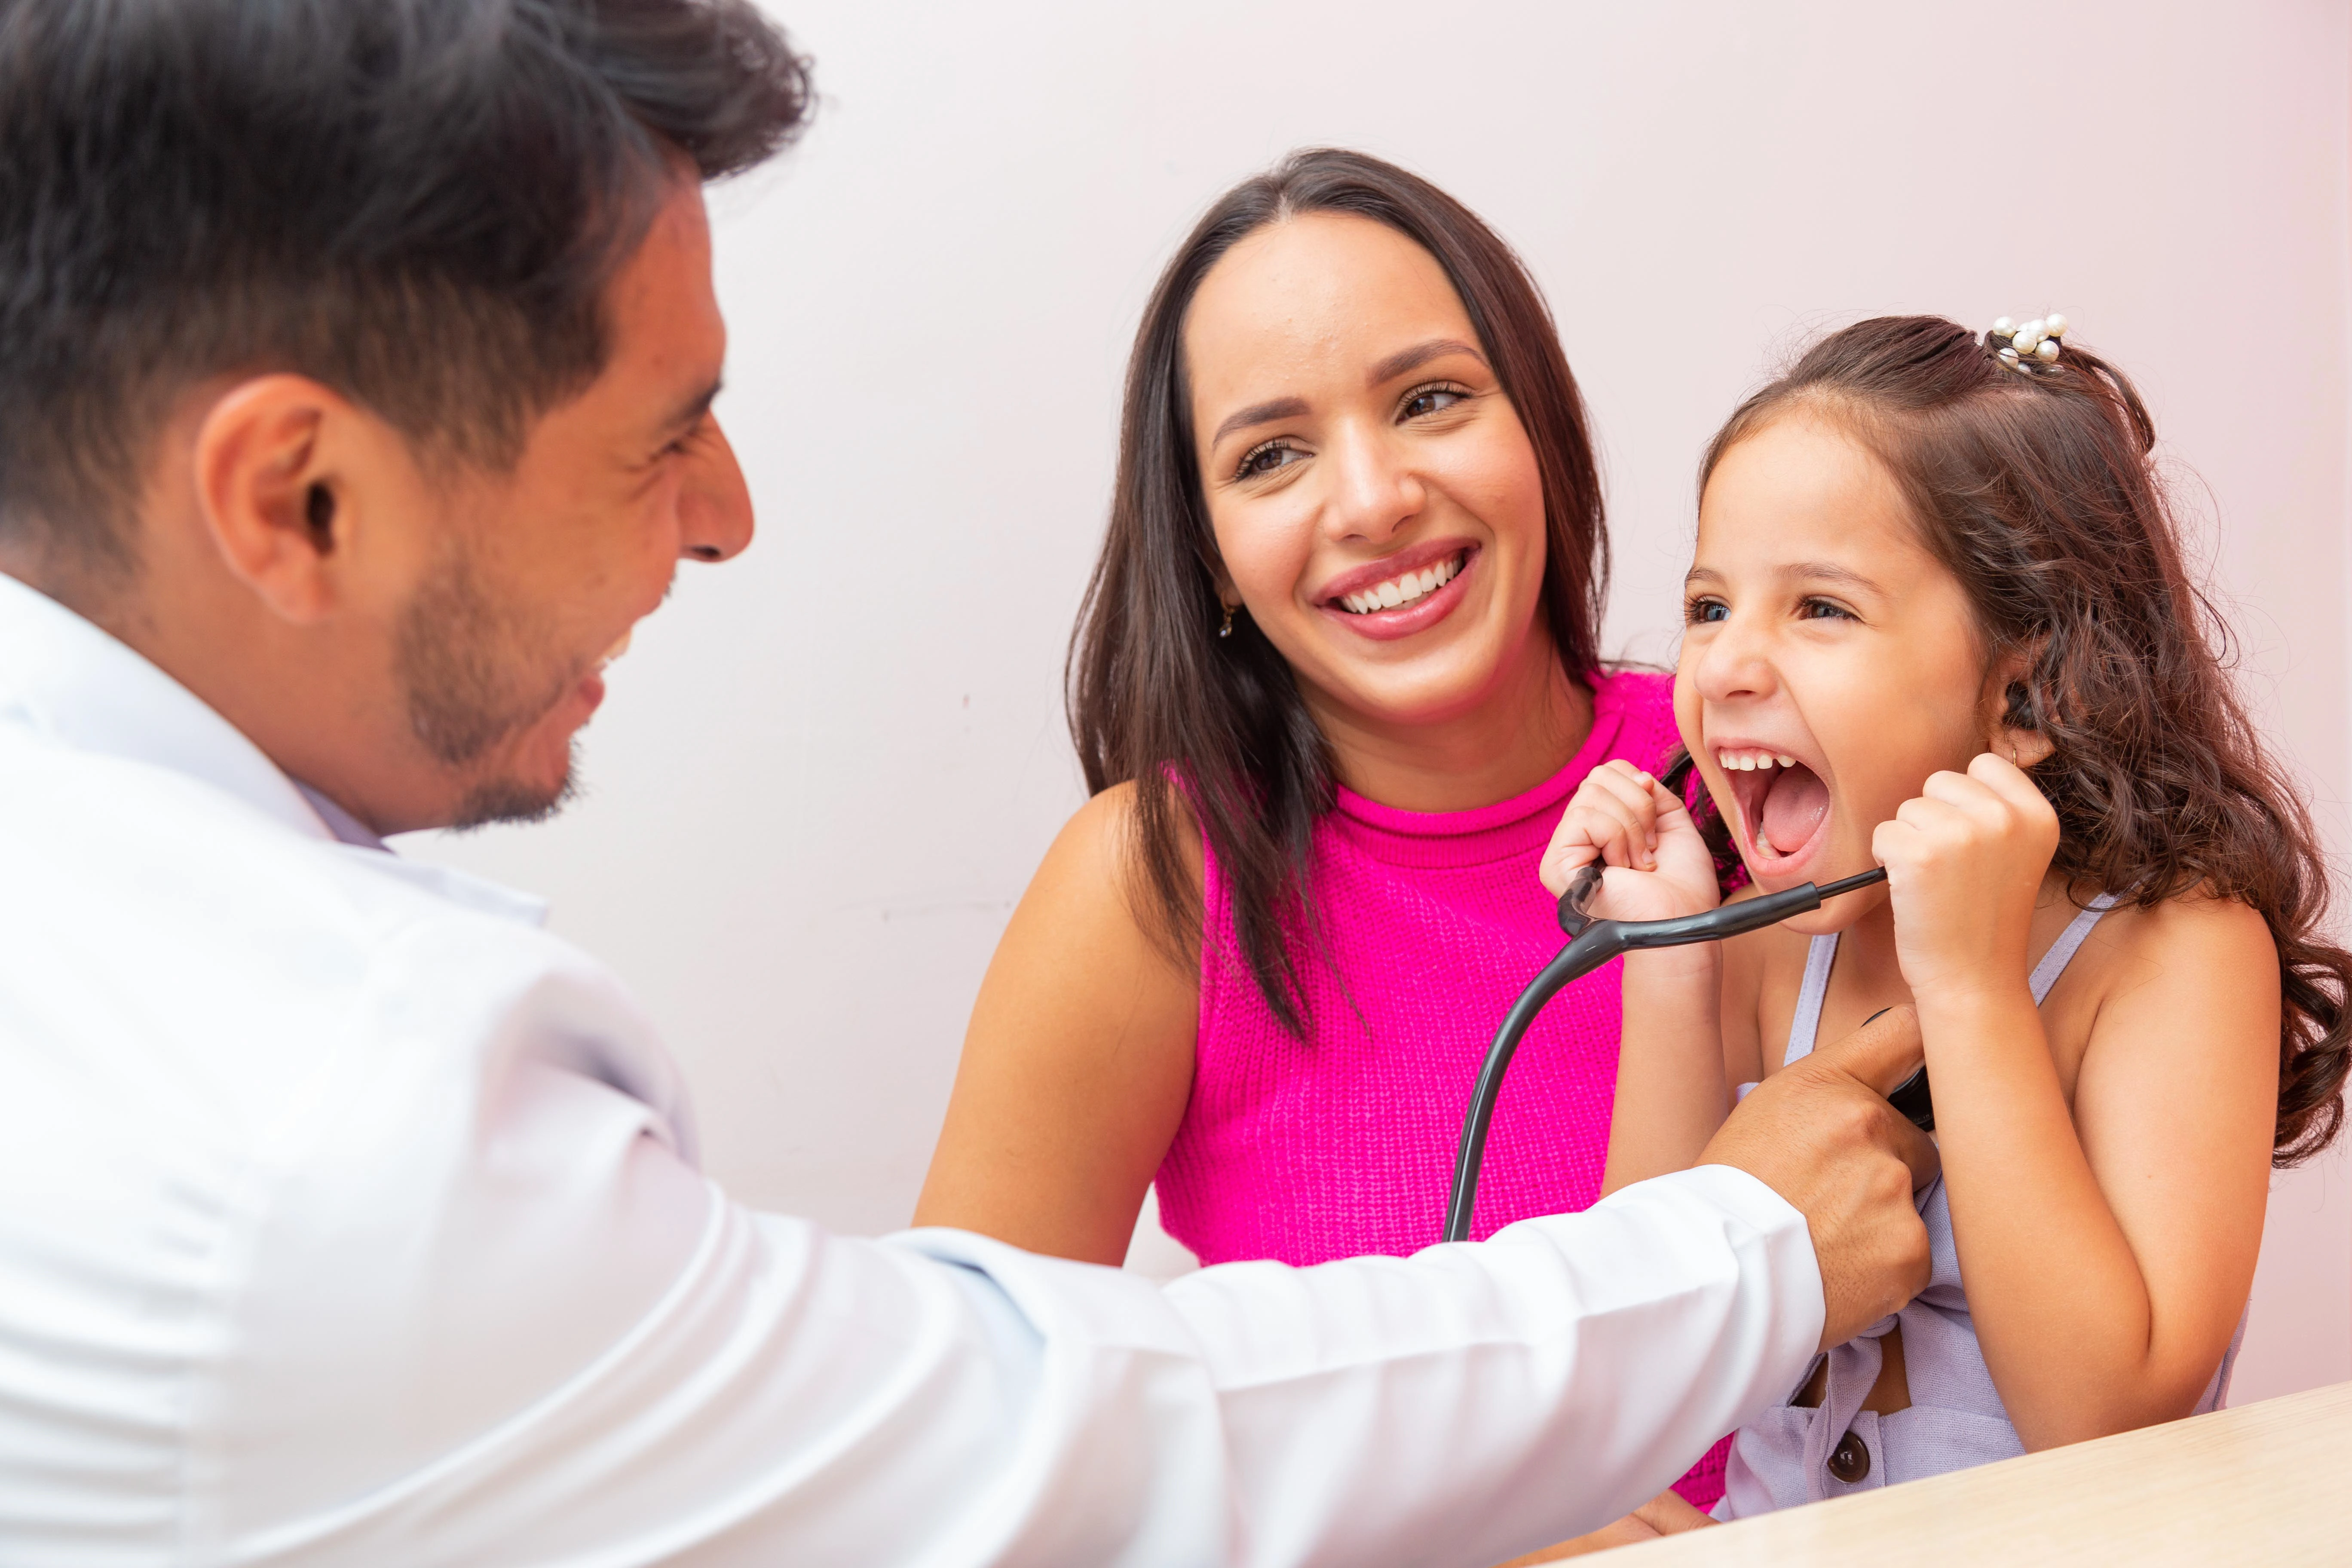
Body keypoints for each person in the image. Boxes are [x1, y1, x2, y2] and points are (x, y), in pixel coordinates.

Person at [0, 3, 1939, 1562]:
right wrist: (1733, 1250)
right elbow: (1015, 1440)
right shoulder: (335, 1124)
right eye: (659, 436)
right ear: (296, 498)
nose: (729, 518)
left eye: (1433, 396)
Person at [913, 147, 1738, 1524]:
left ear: (1538, 427)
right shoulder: (1153, 888)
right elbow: (950, 1463)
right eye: (1272, 455)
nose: (1370, 502)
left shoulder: (1752, 764)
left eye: (1429, 400)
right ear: (1213, 555)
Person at [1540, 314, 2351, 1523]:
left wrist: (1970, 987)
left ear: (2029, 691)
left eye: (1820, 608)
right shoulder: (1770, 939)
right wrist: (1664, 956)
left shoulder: (2176, 951)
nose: (1723, 668)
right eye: (1711, 607)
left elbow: (2109, 1419)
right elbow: (1641, 1346)